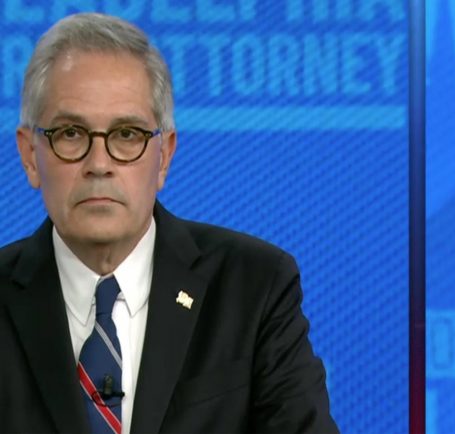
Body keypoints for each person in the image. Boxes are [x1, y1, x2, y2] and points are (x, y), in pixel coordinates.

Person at [0, 13, 338, 433]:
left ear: (164, 156)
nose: (99, 164)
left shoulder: (254, 287)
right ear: (31, 155)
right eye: (71, 133)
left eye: (127, 134)